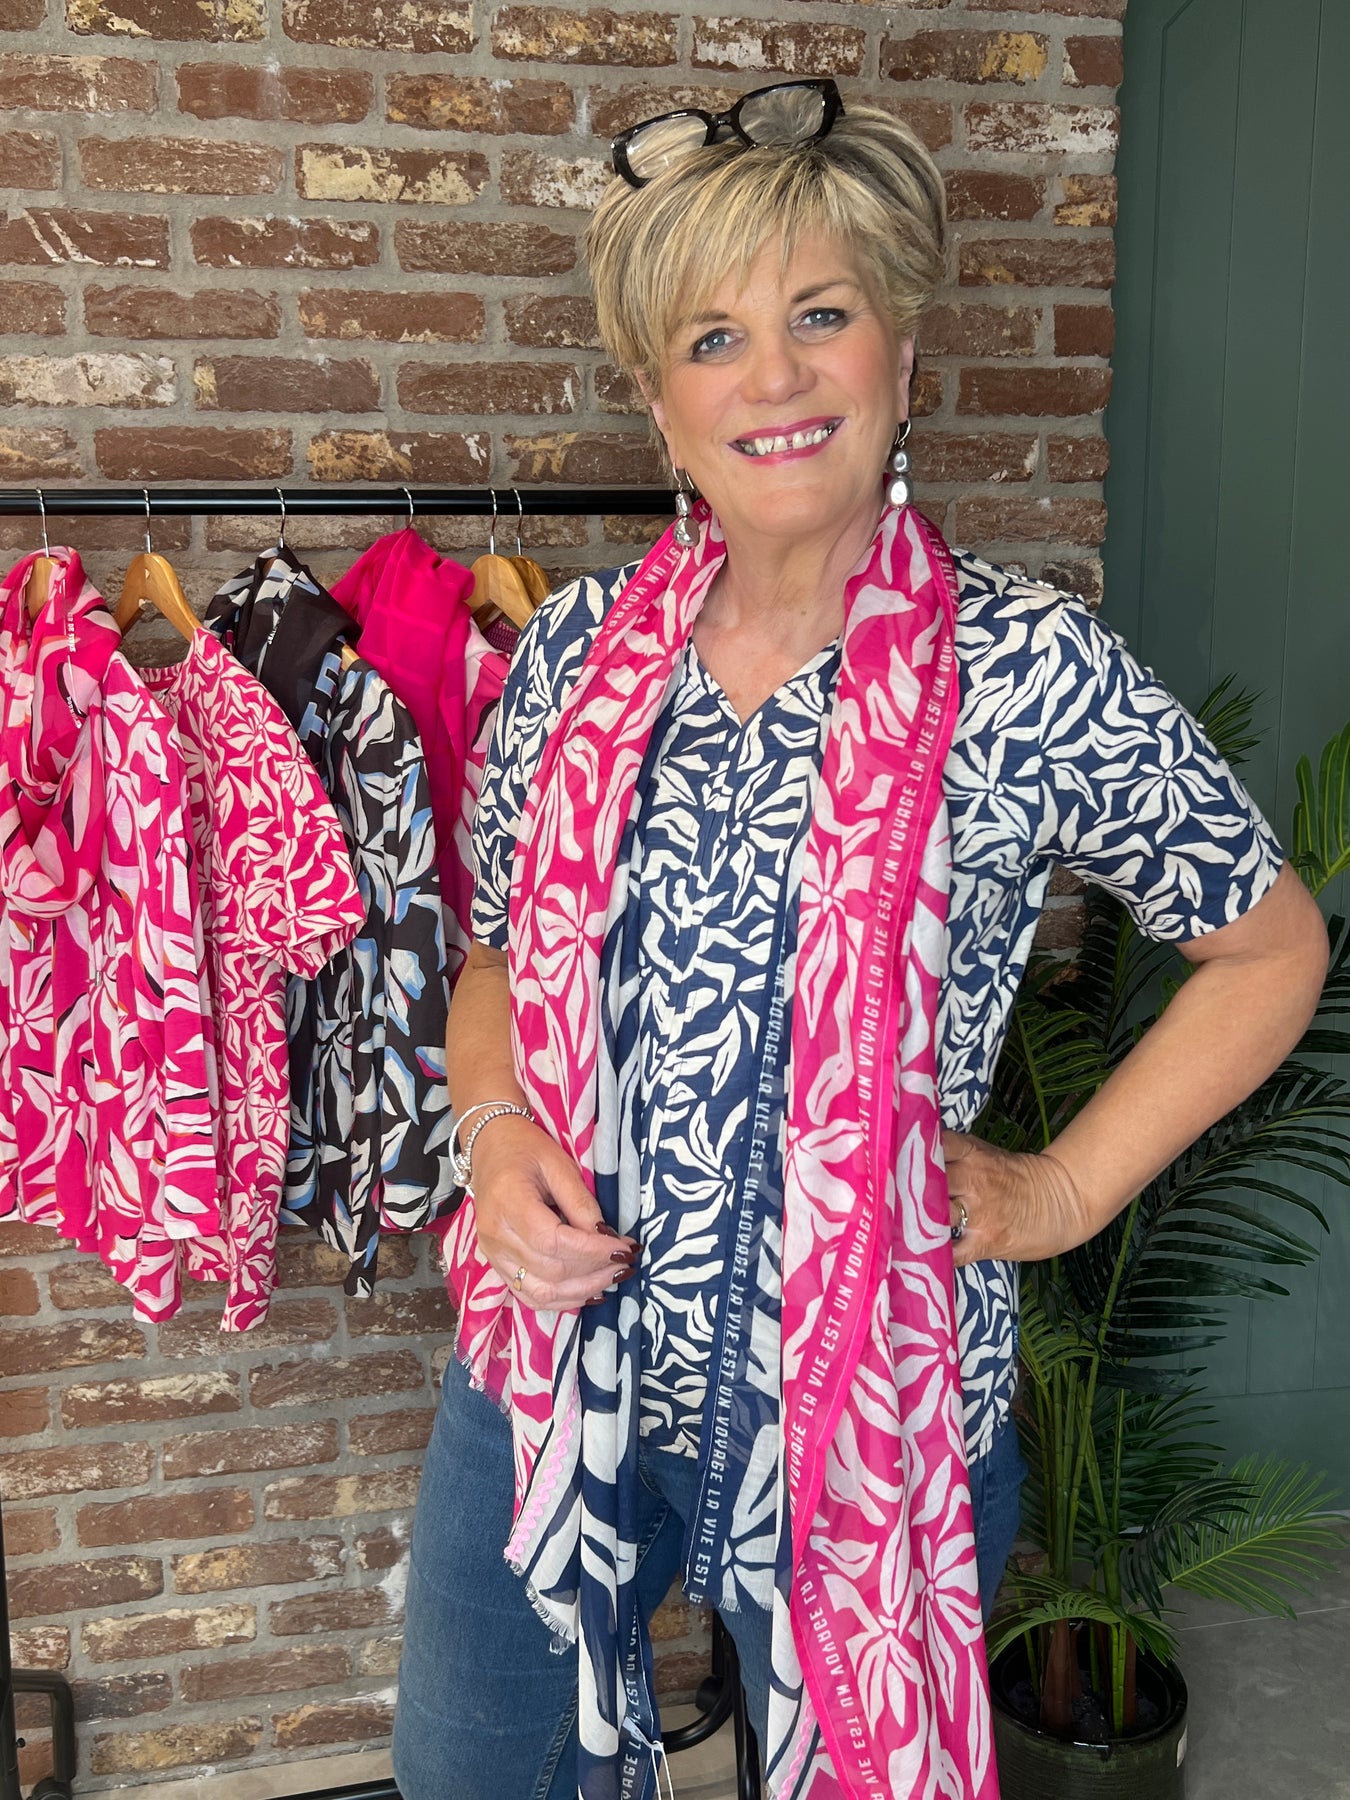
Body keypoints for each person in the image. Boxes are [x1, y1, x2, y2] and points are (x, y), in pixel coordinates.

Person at [393, 80, 1328, 1800]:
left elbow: (1269, 949)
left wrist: (1060, 1190)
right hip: (551, 1375)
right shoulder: (573, 654)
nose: (773, 377)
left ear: (900, 353)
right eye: (714, 338)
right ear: (660, 400)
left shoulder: (1028, 674)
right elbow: (495, 959)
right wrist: (499, 1128)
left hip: (875, 1420)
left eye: (819, 316)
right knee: (469, 1775)